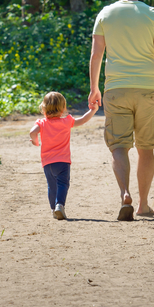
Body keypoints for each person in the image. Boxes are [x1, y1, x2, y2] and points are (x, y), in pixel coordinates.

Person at [88, 0, 154, 221]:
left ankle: (124, 193)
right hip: (148, 88)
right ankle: (143, 205)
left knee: (119, 146)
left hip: (116, 89)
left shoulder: (105, 14)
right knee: (146, 147)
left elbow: (96, 55)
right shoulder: (152, 14)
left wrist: (94, 88)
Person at [29, 91, 100, 220]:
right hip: (62, 161)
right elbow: (82, 120)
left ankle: (53, 209)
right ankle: (59, 205)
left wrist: (35, 141)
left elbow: (32, 132)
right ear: (63, 109)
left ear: (44, 108)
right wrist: (93, 111)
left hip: (47, 162)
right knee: (63, 184)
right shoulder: (66, 121)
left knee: (52, 186)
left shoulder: (42, 123)